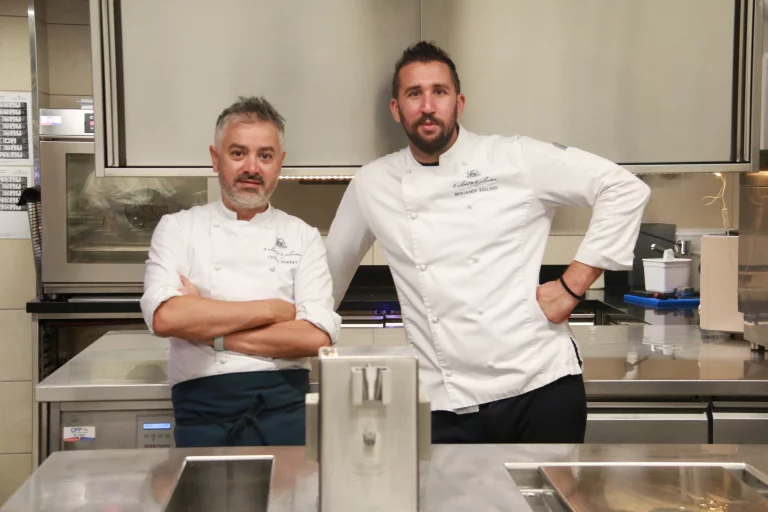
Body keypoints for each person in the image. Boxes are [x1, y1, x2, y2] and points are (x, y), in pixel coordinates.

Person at [324, 42, 650, 444]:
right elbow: (327, 282)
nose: (428, 106)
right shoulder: (372, 184)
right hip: (446, 403)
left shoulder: (514, 157)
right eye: (414, 94)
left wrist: (572, 286)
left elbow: (623, 188)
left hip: (541, 389)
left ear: (458, 102)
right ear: (396, 109)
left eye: (439, 92)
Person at [140, 96, 340, 447]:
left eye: (264, 155)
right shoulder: (178, 228)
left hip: (285, 412)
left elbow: (314, 338)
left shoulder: (303, 236)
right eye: (238, 153)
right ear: (215, 159)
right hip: (202, 411)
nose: (252, 167)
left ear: (280, 163)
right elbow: (167, 318)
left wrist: (210, 332)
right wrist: (273, 310)